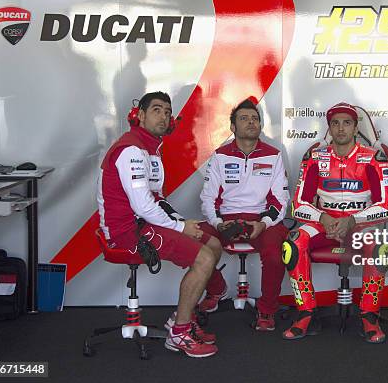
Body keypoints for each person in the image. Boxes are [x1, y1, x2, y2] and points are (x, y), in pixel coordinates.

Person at [97, 91, 221, 358]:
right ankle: (179, 334)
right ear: (139, 115)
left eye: (167, 111)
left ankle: (180, 316)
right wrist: (180, 228)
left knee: (211, 239)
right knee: (204, 258)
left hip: (143, 222)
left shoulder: (151, 147)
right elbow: (142, 206)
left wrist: (181, 222)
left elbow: (157, 199)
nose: (164, 116)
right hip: (127, 232)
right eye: (156, 110)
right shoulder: (132, 149)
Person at [282, 102, 388, 343]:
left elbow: (385, 206)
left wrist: (353, 220)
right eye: (335, 123)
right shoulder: (314, 157)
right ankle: (306, 314)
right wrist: (323, 217)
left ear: (356, 128)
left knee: (379, 246)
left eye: (347, 123)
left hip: (360, 224)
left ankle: (369, 316)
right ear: (329, 128)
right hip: (325, 223)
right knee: (293, 243)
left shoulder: (373, 157)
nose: (341, 128)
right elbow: (298, 204)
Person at [199, 97, 290, 331]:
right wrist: (218, 224)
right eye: (244, 118)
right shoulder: (220, 155)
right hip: (226, 220)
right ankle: (217, 290)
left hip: (262, 221)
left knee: (274, 254)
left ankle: (268, 310)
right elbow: (208, 198)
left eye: (255, 118)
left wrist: (264, 223)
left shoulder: (274, 155)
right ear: (232, 127)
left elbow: (280, 199)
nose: (251, 122)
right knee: (194, 238)